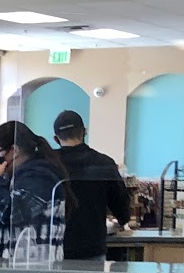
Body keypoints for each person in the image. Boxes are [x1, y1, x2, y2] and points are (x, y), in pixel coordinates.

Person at [0, 121, 68, 260]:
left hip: (32, 265)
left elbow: (10, 213)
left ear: (14, 151)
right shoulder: (16, 178)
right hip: (14, 262)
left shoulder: (39, 177)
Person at [50, 110, 132, 259]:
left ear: (56, 139)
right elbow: (122, 207)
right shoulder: (104, 163)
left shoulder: (48, 164)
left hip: (54, 248)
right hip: (92, 249)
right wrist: (121, 220)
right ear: (85, 132)